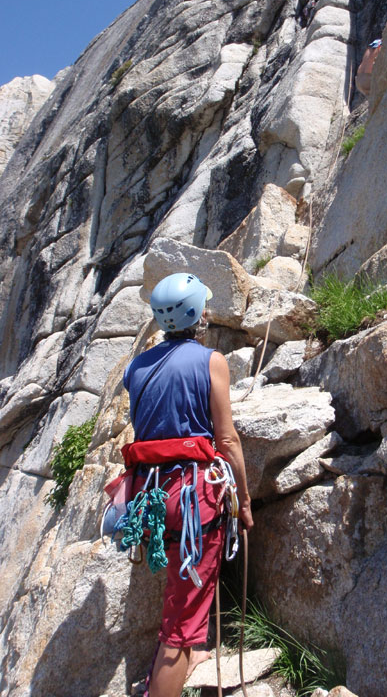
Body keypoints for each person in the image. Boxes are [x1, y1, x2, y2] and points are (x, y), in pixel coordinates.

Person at [123, 272, 253, 697]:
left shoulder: (135, 367)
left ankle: (194, 652)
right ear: (197, 313)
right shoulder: (211, 360)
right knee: (179, 626)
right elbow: (227, 439)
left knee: (183, 593)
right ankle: (171, 671)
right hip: (192, 498)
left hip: (149, 495)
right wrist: (245, 502)